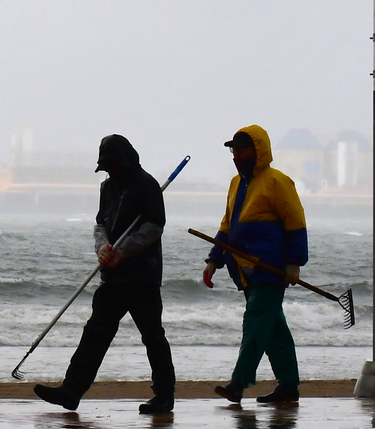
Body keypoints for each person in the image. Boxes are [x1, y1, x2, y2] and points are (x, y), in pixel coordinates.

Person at [34, 135, 175, 414]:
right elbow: (101, 224)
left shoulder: (147, 186)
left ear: (125, 161)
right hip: (112, 275)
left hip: (141, 276)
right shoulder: (107, 188)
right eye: (106, 166)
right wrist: (102, 248)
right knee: (96, 332)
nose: (110, 171)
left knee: (152, 335)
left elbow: (154, 226)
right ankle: (72, 390)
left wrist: (123, 251)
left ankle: (164, 395)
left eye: (113, 165)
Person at [204, 125, 307, 404]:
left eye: (241, 149)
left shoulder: (277, 181)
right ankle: (288, 386)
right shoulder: (236, 184)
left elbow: (295, 223)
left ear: (257, 151)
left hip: (269, 269)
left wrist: (294, 263)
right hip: (245, 270)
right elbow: (228, 227)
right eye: (233, 150)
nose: (236, 155)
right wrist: (214, 260)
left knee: (255, 324)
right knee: (274, 329)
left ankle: (238, 383)